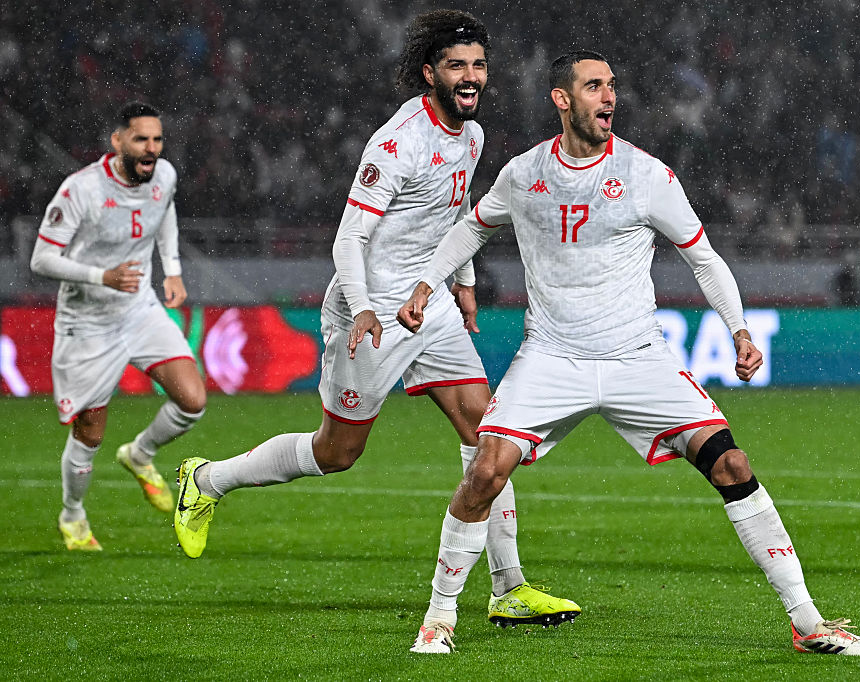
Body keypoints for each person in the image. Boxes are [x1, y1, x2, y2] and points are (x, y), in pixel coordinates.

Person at [399, 50, 860, 656]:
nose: (608, 97)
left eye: (612, 87)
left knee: (731, 465)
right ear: (561, 98)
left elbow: (703, 257)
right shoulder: (524, 175)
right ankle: (438, 621)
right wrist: (427, 282)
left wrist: (737, 330)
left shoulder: (646, 174)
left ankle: (809, 624)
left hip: (638, 358)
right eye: (594, 86)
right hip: (552, 357)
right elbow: (473, 226)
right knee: (485, 471)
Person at [172, 9, 578, 627]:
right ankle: (208, 480)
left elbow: (456, 211)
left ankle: (508, 587)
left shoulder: (472, 136)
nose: (471, 78)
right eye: (456, 67)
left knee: (490, 436)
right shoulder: (396, 142)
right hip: (373, 312)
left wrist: (462, 283)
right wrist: (362, 308)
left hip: (430, 302)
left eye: (478, 66)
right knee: (337, 453)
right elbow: (348, 238)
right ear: (429, 73)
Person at [30, 101, 207, 551]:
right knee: (90, 430)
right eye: (141, 139)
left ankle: (140, 454)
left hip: (138, 308)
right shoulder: (81, 190)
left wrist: (171, 269)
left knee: (192, 400)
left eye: (157, 139)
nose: (151, 149)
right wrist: (100, 276)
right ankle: (73, 517)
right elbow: (41, 259)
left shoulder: (163, 176)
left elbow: (163, 210)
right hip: (86, 320)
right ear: (118, 141)